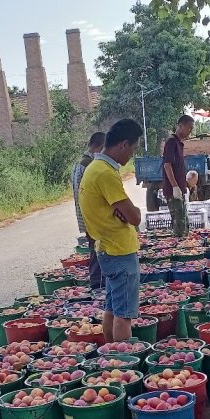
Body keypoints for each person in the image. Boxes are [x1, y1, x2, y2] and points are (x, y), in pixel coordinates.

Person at [79, 119, 144, 342]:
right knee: (124, 315)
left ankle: (110, 355)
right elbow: (135, 217)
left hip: (105, 248)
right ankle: (125, 364)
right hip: (119, 250)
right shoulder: (105, 173)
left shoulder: (92, 169)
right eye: (134, 149)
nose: (132, 156)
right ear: (124, 144)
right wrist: (130, 212)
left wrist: (124, 211)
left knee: (112, 308)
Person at [71, 130, 106, 290]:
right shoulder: (87, 165)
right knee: (97, 251)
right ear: (100, 147)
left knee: (97, 249)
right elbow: (85, 195)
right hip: (92, 216)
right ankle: (97, 286)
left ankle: (99, 284)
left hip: (89, 216)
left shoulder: (82, 162)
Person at [162, 114, 194, 237]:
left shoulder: (179, 144)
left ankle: (184, 247)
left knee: (184, 223)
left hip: (180, 190)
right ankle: (179, 252)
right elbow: (167, 166)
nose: (190, 131)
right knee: (179, 226)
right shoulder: (171, 142)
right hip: (173, 191)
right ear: (180, 126)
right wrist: (175, 187)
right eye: (189, 128)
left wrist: (182, 186)